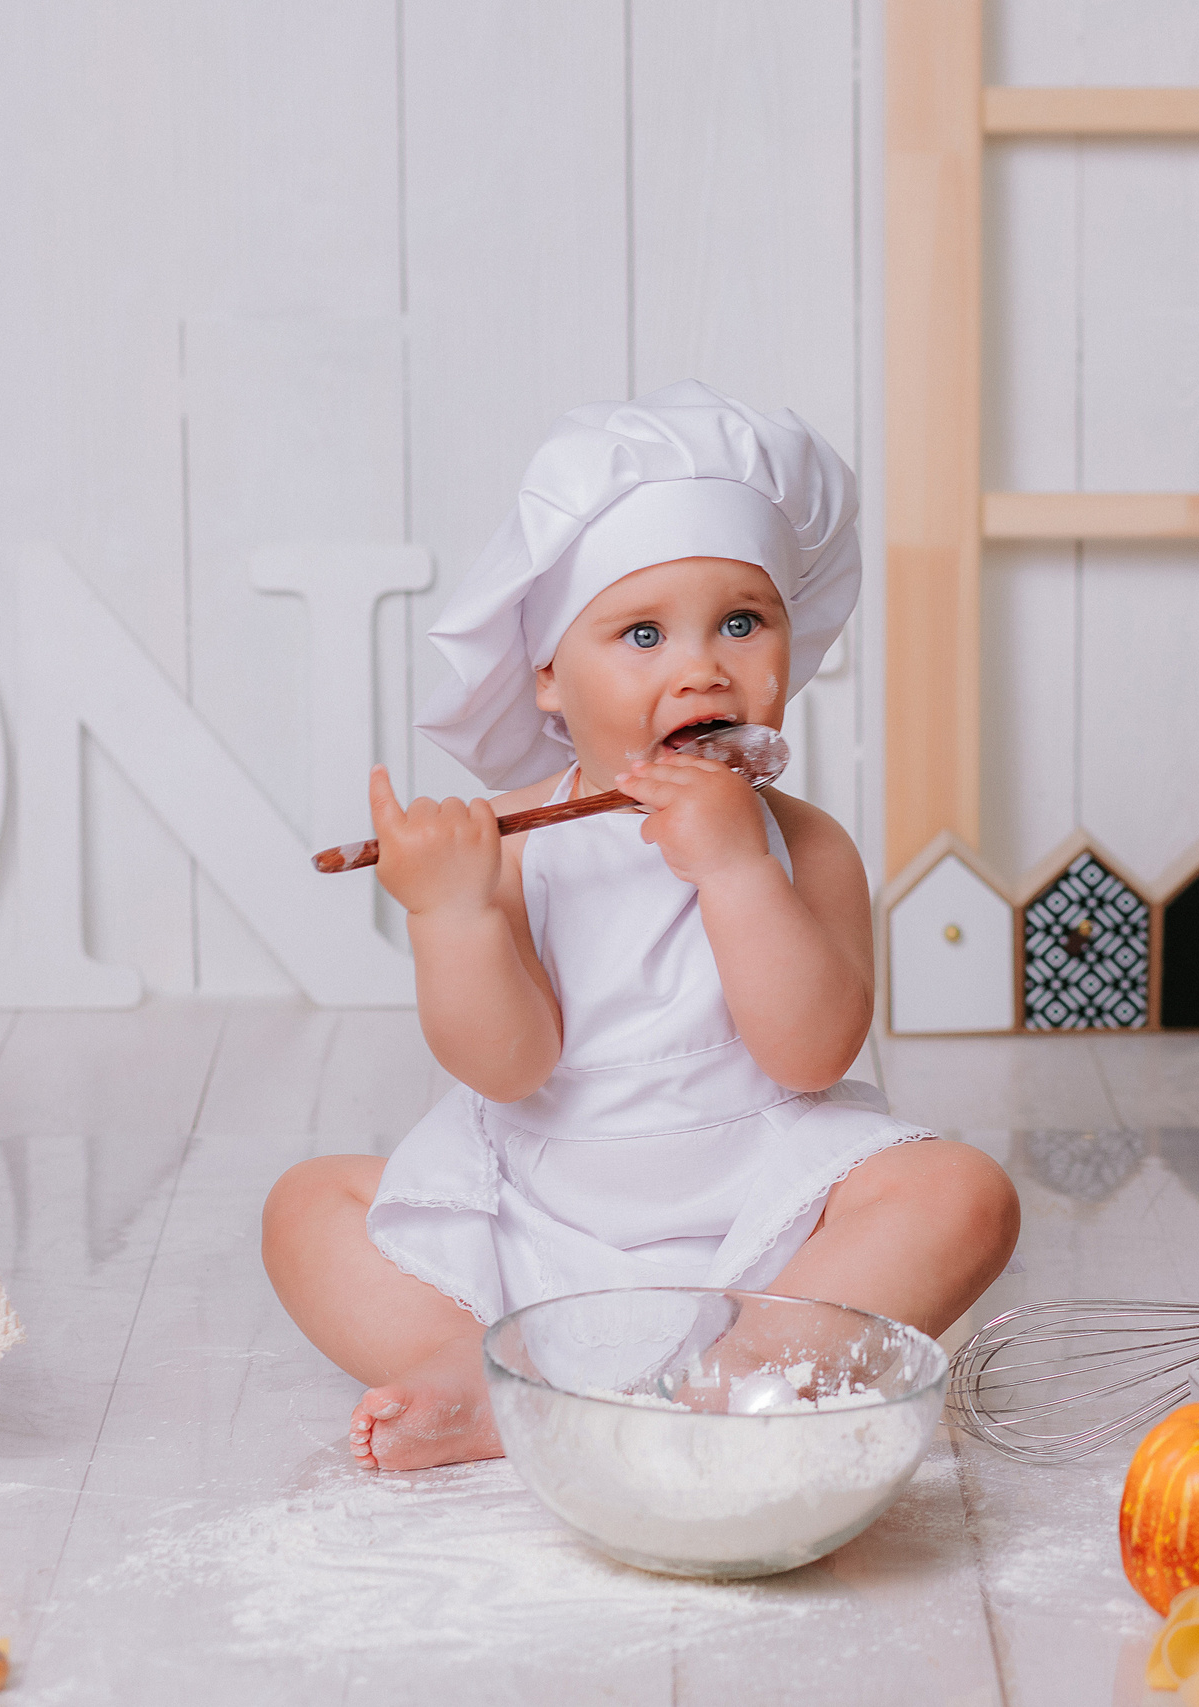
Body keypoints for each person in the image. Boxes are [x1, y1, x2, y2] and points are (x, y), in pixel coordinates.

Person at [262, 382, 1019, 1471]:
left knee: (963, 1197)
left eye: (742, 623)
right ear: (548, 683)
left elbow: (809, 1055)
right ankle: (478, 1372)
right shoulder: (517, 843)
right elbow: (509, 1066)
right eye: (643, 632)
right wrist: (452, 913)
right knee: (308, 1206)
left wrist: (734, 867)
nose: (701, 665)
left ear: (787, 652)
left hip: (768, 1221)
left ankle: (738, 1373)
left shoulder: (804, 847)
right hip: (537, 1215)